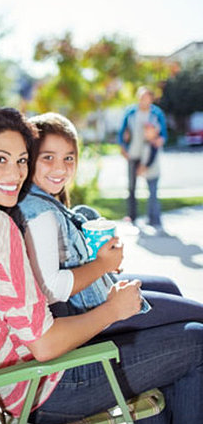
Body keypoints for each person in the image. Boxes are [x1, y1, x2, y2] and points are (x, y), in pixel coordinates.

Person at [0, 106, 203, 424]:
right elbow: (45, 344)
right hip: (44, 389)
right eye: (1, 159)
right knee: (197, 342)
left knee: (173, 339)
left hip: (15, 384)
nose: (16, 173)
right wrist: (112, 310)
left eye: (21, 160)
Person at [18, 111, 203, 335]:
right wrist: (103, 265)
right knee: (196, 324)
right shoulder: (40, 214)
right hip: (89, 315)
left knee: (169, 285)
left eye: (68, 157)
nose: (61, 168)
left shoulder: (41, 200)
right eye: (48, 157)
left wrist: (99, 259)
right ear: (28, 159)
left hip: (93, 295)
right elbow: (51, 289)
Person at [118, 86, 167, 229]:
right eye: (141, 97)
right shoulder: (131, 112)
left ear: (151, 99)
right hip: (133, 154)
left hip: (148, 153)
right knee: (132, 187)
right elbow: (122, 132)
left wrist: (160, 140)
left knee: (152, 187)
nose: (143, 100)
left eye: (146, 97)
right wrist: (122, 147)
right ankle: (132, 216)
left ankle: (154, 219)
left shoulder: (157, 113)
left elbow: (163, 133)